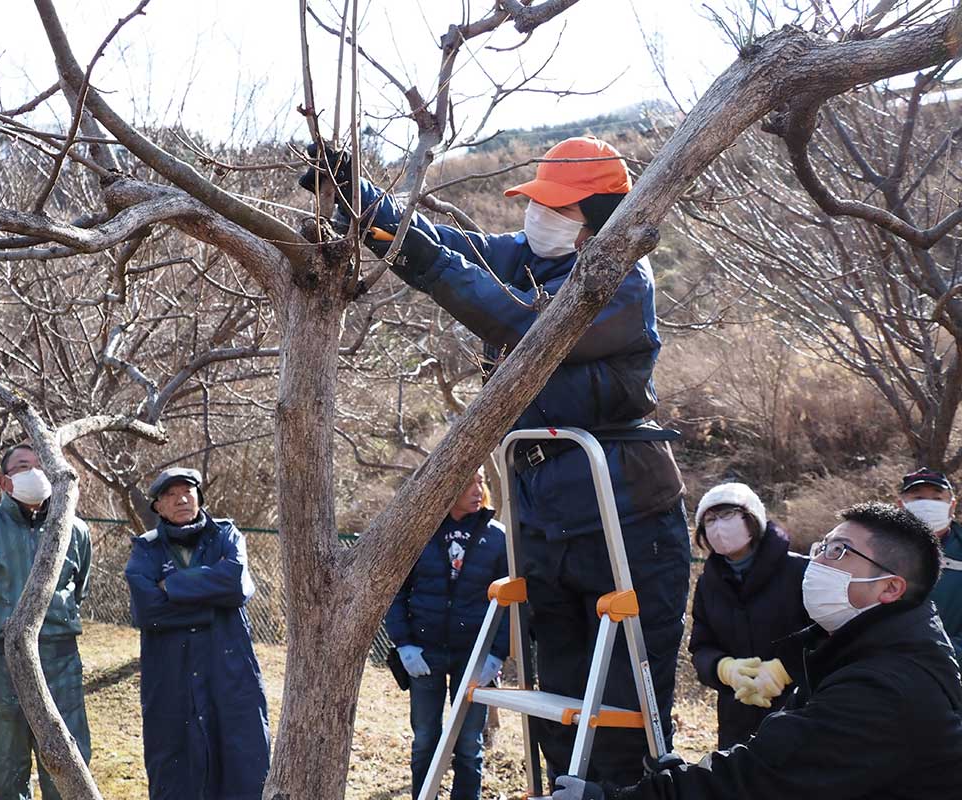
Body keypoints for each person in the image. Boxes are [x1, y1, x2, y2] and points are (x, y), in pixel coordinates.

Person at [300, 135, 688, 784]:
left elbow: (518, 321)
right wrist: (359, 198)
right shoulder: (533, 258)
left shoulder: (618, 282)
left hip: (623, 519)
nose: (538, 218)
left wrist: (430, 265)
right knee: (558, 713)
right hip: (544, 523)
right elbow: (457, 250)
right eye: (539, 204)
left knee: (622, 717)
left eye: (557, 210)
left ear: (597, 220)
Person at [551, 502, 962, 800]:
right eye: (822, 546)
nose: (817, 562)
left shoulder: (886, 690)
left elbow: (756, 778)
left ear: (890, 587)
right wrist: (722, 669)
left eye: (839, 552)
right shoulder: (862, 648)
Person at [0, 443, 92, 800]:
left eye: (42, 466)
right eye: (24, 466)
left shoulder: (74, 530)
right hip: (0, 660)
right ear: (4, 482)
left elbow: (79, 587)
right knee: (4, 765)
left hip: (60, 658)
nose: (35, 473)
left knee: (68, 761)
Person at [124, 467, 270, 800]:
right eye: (171, 495)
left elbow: (235, 583)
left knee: (242, 758)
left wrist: (172, 586)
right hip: (170, 671)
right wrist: (211, 606)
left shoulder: (225, 535)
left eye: (188, 491)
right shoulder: (146, 550)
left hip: (229, 665)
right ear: (158, 507)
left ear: (200, 497)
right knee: (176, 761)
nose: (182, 499)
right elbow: (147, 610)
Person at [384, 469, 510, 800]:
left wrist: (497, 655)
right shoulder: (419, 534)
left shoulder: (498, 538)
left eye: (481, 481)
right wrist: (404, 645)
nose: (478, 488)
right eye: (471, 481)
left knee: (469, 744)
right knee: (425, 739)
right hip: (425, 653)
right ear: (449, 485)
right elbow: (394, 593)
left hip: (475, 656)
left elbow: (512, 603)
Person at [687, 482, 810, 748]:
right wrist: (724, 669)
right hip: (736, 716)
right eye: (710, 520)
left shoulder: (801, 572)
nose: (719, 526)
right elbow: (701, 646)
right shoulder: (709, 583)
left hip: (800, 710)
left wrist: (785, 670)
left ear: (752, 519)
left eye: (728, 515)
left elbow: (830, 635)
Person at [895, 467, 962, 653]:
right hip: (883, 668)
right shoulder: (873, 548)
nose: (927, 505)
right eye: (918, 498)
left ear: (952, 506)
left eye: (937, 498)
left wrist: (939, 657)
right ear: (901, 505)